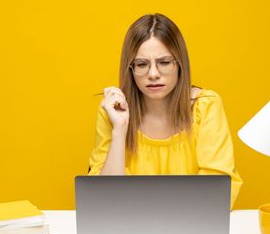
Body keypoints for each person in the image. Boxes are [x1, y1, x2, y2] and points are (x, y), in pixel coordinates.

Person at [88, 13, 242, 209]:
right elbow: (104, 198)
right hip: (130, 228)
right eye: (142, 64)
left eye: (164, 62)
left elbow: (218, 188)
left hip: (191, 225)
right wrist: (120, 129)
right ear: (130, 69)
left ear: (180, 65)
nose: (153, 74)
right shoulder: (112, 111)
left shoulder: (206, 106)